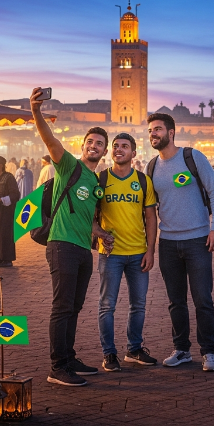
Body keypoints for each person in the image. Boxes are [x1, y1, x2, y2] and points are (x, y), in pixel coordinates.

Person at [31, 87, 108, 386]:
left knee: (74, 307)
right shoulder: (68, 165)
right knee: (62, 306)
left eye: (99, 143)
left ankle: (69, 356)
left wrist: (100, 233)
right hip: (61, 245)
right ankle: (57, 367)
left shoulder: (95, 181)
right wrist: (36, 111)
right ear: (83, 145)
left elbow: (87, 218)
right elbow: (49, 139)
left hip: (83, 250)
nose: (94, 146)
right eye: (90, 141)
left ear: (104, 151)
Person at [146, 112, 214, 372]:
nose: (153, 134)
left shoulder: (193, 157)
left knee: (203, 298)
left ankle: (208, 352)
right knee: (175, 301)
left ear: (171, 132)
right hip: (168, 243)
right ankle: (181, 349)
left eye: (158, 129)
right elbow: (148, 209)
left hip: (198, 240)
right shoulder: (151, 167)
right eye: (150, 130)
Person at [93, 133, 158, 372]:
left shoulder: (143, 181)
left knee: (138, 305)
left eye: (125, 147)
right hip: (110, 254)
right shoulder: (99, 179)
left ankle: (134, 349)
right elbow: (88, 214)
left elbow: (151, 218)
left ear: (134, 153)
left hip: (138, 252)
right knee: (106, 305)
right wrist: (99, 232)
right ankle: (109, 354)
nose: (119, 150)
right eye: (116, 146)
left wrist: (150, 250)